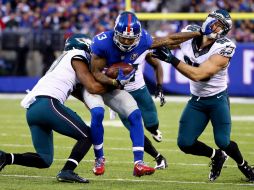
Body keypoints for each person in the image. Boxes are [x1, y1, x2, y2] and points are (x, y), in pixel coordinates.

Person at [88, 11, 213, 176]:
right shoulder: (102, 42)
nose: (126, 41)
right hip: (101, 86)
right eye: (123, 37)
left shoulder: (145, 41)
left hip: (132, 87)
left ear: (138, 36)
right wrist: (114, 82)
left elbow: (170, 39)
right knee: (101, 114)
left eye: (130, 38)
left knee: (144, 119)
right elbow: (95, 73)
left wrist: (199, 32)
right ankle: (102, 159)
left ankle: (141, 159)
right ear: (115, 33)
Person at [152, 9, 254, 182]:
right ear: (208, 20)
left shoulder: (225, 46)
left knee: (223, 140)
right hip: (197, 100)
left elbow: (199, 75)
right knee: (185, 143)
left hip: (217, 99)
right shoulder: (190, 33)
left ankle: (244, 165)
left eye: (222, 27)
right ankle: (216, 156)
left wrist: (172, 60)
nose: (216, 29)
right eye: (215, 23)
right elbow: (165, 41)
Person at [0, 34, 112, 183]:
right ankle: (67, 170)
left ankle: (5, 157)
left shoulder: (63, 61)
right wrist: (116, 83)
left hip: (33, 110)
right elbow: (92, 86)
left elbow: (83, 93)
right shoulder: (77, 55)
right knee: (88, 135)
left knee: (44, 159)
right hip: (48, 104)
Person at [118, 51, 168, 169]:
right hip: (120, 95)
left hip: (139, 90)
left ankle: (153, 130)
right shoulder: (106, 49)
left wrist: (159, 86)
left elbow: (157, 65)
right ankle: (159, 157)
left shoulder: (141, 47)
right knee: (135, 132)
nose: (126, 42)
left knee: (152, 123)